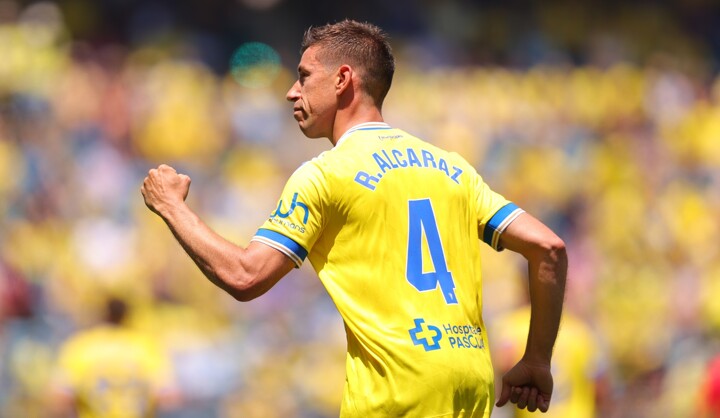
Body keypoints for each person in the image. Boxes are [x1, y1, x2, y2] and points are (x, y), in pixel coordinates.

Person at [141, 19, 567, 417]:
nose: (291, 91)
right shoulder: (452, 167)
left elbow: (245, 276)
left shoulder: (326, 175)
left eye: (304, 76)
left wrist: (171, 206)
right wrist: (537, 359)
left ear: (343, 79)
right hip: (470, 381)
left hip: (394, 391)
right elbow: (548, 247)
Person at [50, 297, 178, 418]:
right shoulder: (145, 346)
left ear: (101, 314)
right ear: (128, 316)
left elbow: (60, 397)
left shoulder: (81, 345)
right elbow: (168, 397)